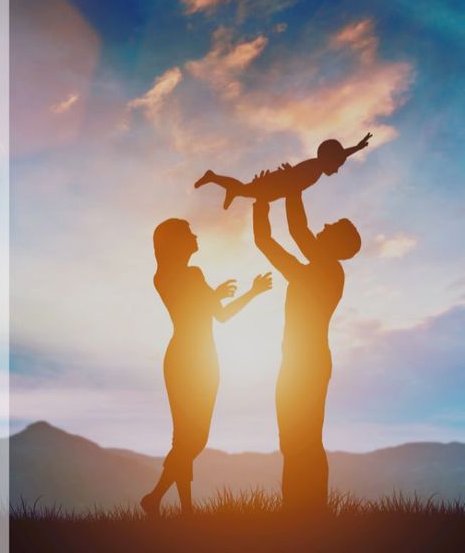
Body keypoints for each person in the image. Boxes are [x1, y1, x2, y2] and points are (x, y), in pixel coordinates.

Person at [141, 218, 272, 516]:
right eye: (188, 233)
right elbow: (203, 310)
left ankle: (174, 506)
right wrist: (219, 295)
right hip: (191, 358)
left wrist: (251, 292)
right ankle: (159, 499)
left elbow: (219, 314)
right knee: (192, 438)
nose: (195, 235)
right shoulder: (173, 276)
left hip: (200, 358)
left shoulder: (180, 276)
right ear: (174, 242)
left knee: (188, 438)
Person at [252, 184, 361, 514]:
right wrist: (283, 193)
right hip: (303, 363)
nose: (323, 227)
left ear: (335, 244)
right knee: (297, 440)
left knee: (302, 441)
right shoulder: (321, 269)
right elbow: (289, 235)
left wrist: (285, 192)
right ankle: (302, 511)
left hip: (305, 365)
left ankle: (305, 512)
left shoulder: (321, 273)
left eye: (330, 228)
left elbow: (284, 237)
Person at [195, 133, 372, 210]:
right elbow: (295, 179)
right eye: (337, 166)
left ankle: (226, 186)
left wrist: (357, 147)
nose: (337, 171)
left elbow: (339, 155)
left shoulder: (317, 166)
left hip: (278, 186)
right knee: (246, 191)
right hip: (276, 184)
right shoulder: (315, 167)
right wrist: (289, 178)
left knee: (245, 191)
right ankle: (214, 177)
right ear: (329, 160)